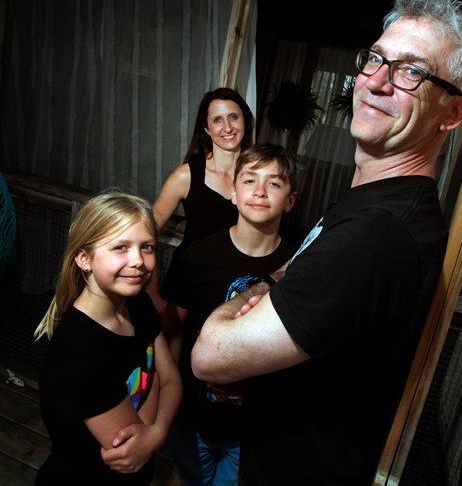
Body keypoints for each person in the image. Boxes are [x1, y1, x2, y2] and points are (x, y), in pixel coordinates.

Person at [191, 0, 462, 485]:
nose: (375, 83)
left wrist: (248, 296)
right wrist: (272, 286)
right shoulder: (369, 201)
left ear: (453, 113)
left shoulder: (380, 232)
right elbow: (293, 276)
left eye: (411, 71)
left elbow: (211, 355)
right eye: (375, 59)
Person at [164, 144, 299, 485]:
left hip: (257, 428)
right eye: (250, 180)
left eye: (274, 183)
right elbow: (173, 330)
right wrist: (171, 399)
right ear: (234, 194)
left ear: (291, 200)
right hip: (193, 416)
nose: (260, 191)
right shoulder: (197, 256)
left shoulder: (299, 265)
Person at [34, 192, 182, 485]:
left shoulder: (138, 304)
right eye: (120, 247)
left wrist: (158, 431)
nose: (138, 261)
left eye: (147, 247)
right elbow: (131, 452)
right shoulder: (78, 352)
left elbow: (173, 380)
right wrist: (156, 427)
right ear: (84, 259)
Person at [147, 87, 254, 316]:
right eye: (217, 120)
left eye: (234, 117)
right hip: (186, 283)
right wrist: (151, 288)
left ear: (245, 121)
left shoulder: (256, 177)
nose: (227, 127)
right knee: (170, 350)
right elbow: (147, 230)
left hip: (232, 289)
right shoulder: (186, 175)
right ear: (206, 128)